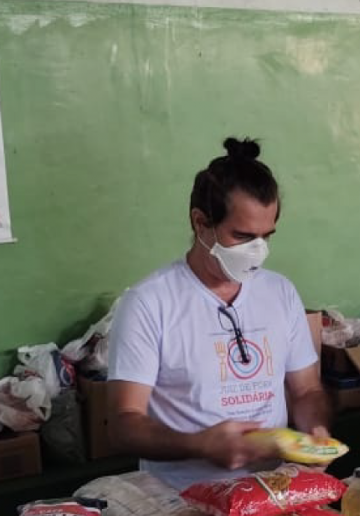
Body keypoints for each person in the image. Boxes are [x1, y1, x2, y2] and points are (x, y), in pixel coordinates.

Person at [107, 137, 331, 488]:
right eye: (241, 236)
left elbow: (305, 392)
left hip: (272, 491)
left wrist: (313, 432)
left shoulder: (280, 292)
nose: (257, 251)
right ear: (200, 223)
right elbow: (124, 422)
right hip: (183, 501)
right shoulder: (150, 303)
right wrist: (200, 444)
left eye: (266, 237)